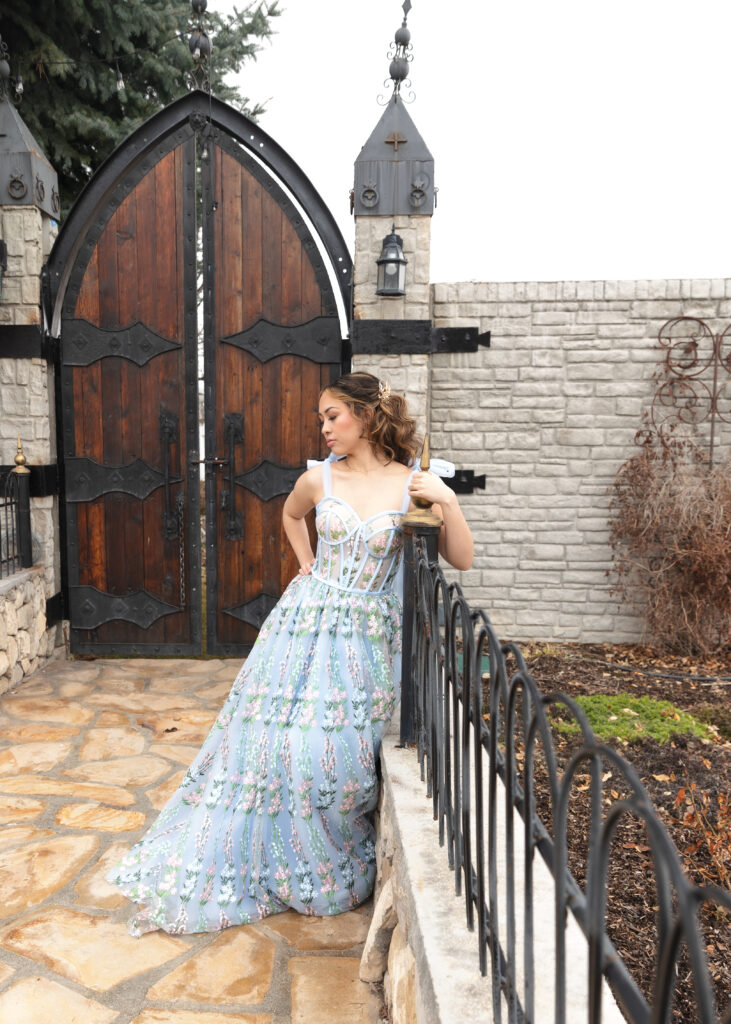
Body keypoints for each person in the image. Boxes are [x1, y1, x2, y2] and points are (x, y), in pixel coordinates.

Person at [108, 372, 473, 935]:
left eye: (333, 416)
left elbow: (461, 559)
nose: (325, 428)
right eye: (320, 419)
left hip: (368, 639)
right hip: (303, 628)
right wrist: (306, 562)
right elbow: (289, 515)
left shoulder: (413, 483)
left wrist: (446, 498)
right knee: (269, 747)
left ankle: (323, 858)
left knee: (338, 760)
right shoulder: (318, 478)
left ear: (368, 417)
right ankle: (270, 858)